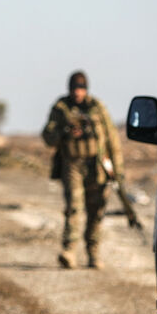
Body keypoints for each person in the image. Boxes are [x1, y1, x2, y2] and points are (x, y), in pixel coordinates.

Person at [42, 71, 124, 270]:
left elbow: (112, 139)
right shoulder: (61, 108)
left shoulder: (97, 108)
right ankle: (69, 250)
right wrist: (64, 130)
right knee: (73, 206)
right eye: (74, 89)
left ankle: (93, 252)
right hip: (72, 165)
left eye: (80, 89)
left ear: (86, 89)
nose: (77, 93)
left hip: (96, 166)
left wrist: (117, 169)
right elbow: (47, 137)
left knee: (96, 210)